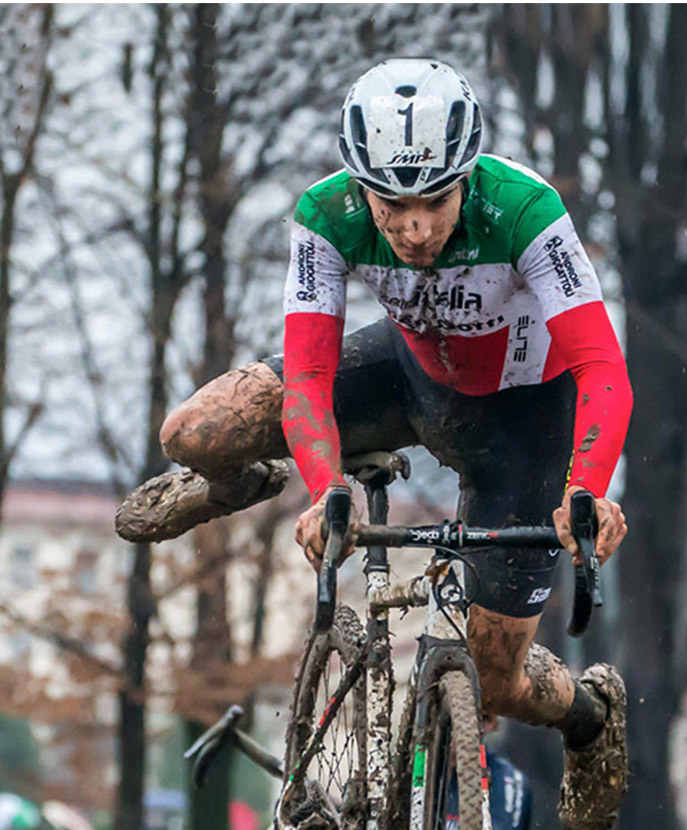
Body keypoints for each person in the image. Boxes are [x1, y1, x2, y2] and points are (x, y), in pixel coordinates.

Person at [116, 58, 632, 829]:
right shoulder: (326, 215)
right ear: (361, 187)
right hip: (407, 378)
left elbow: (601, 367)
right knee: (193, 431)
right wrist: (324, 486)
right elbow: (308, 372)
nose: (415, 229)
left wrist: (584, 485)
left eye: (436, 201)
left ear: (468, 177)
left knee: (495, 681)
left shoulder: (524, 210)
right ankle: (244, 478)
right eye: (393, 205)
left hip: (522, 421)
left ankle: (587, 716)